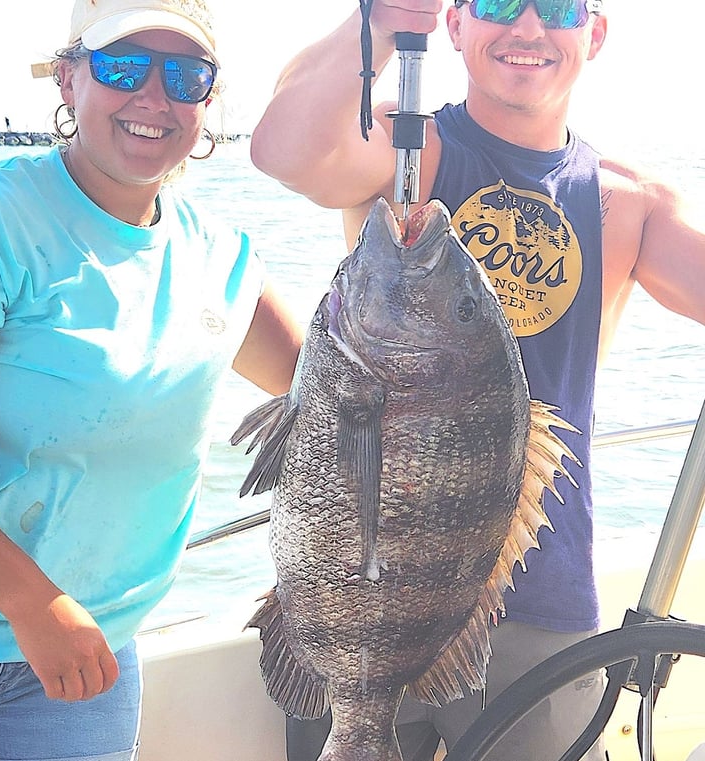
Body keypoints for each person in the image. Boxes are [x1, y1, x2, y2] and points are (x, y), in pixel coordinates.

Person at [249, 1, 705, 759]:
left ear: (593, 34)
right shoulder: (407, 147)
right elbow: (283, 150)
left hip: (542, 599)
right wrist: (384, 18)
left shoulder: (632, 201)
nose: (527, 27)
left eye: (557, 6)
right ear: (455, 27)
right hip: (354, 592)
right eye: (497, 2)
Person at [0, 0, 302, 759]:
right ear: (69, 80)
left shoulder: (223, 259)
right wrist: (30, 603)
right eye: (123, 66)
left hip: (91, 652)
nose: (154, 96)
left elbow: (346, 393)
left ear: (209, 98)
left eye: (186, 74)